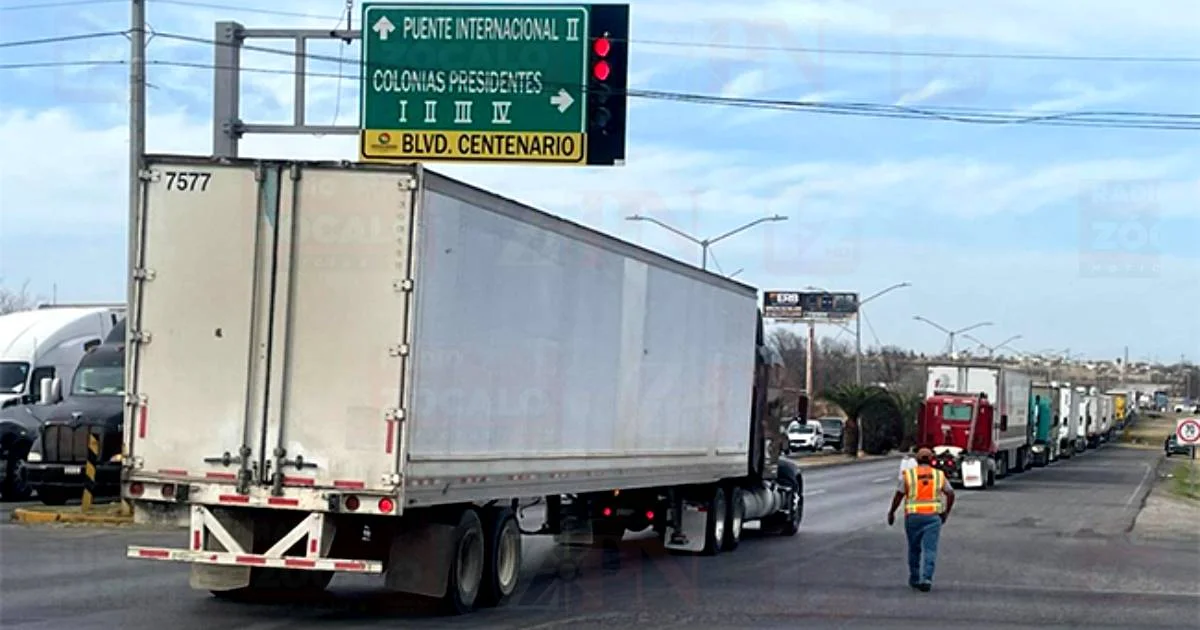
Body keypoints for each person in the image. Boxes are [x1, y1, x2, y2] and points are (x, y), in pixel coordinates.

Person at [887, 446, 955, 592]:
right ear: (932, 460)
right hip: (933, 518)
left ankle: (915, 578)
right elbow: (950, 493)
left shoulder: (909, 475)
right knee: (930, 549)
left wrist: (892, 512)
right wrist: (945, 513)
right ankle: (927, 578)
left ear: (916, 460)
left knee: (914, 549)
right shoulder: (939, 475)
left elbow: (899, 495)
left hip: (913, 517)